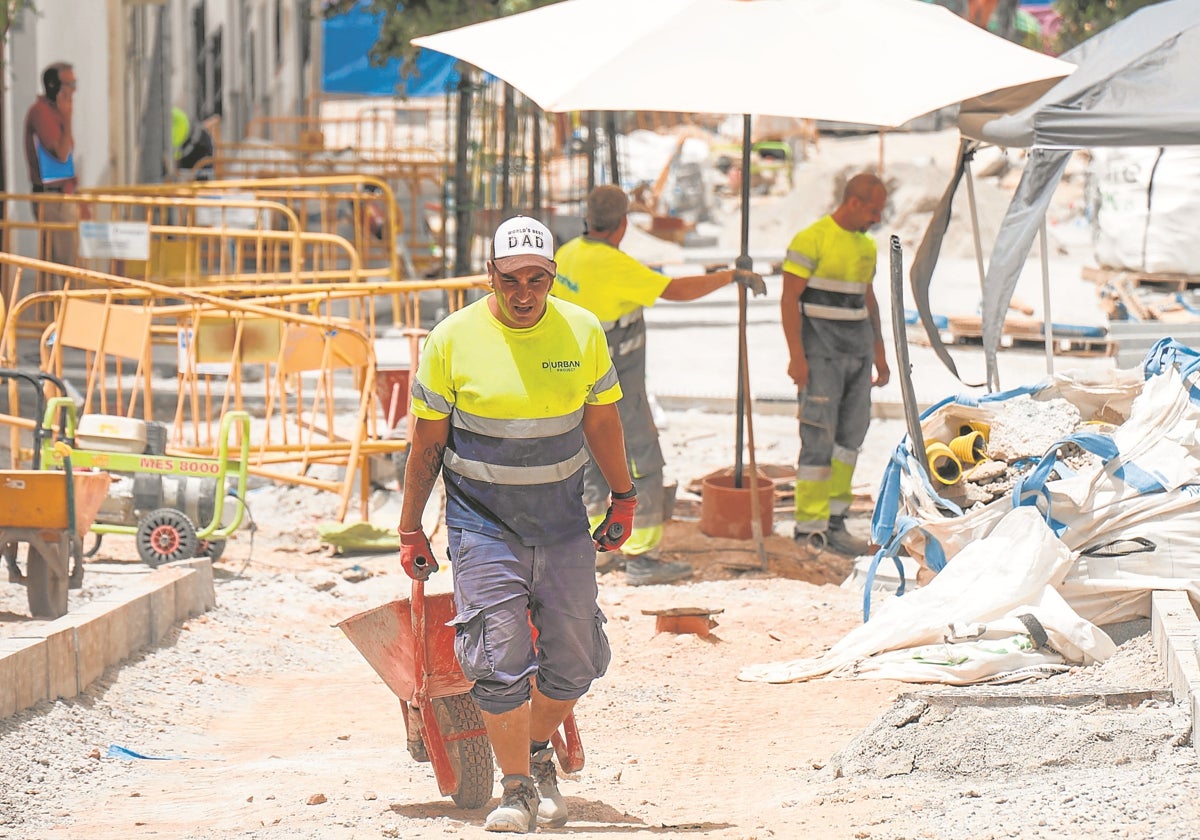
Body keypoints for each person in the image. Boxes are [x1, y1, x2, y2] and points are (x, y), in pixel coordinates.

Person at [397, 215, 635, 833]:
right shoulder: (452, 339)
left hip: (562, 525)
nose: (525, 294)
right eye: (511, 281)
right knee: (497, 656)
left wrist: (624, 497)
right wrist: (410, 529)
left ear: (554, 276)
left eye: (538, 280)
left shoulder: (582, 332)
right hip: (482, 526)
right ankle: (518, 788)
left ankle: (531, 750)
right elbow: (426, 444)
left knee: (577, 660)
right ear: (490, 276)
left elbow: (603, 423)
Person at [553, 185, 766, 585]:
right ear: (623, 225)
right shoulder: (614, 265)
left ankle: (602, 549)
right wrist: (731, 276)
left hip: (573, 380)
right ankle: (641, 555)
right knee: (638, 462)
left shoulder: (567, 256)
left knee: (592, 462)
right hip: (616, 385)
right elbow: (675, 290)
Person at [781, 172, 891, 556]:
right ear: (854, 202)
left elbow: (869, 300)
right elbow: (788, 300)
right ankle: (809, 529)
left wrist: (879, 354)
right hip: (820, 357)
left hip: (856, 357)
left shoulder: (866, 246)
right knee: (817, 441)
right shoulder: (811, 240)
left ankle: (835, 521)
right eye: (873, 210)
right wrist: (797, 357)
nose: (876, 219)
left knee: (848, 442)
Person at [23, 61, 79, 277]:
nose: (74, 90)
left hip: (62, 195)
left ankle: (54, 310)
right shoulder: (41, 113)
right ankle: (60, 311)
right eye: (69, 84)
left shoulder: (55, 115)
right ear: (55, 87)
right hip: (51, 199)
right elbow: (62, 154)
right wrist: (68, 118)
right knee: (65, 268)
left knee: (64, 262)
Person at [171, 107, 215, 181]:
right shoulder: (172, 115)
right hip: (194, 143)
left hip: (199, 148)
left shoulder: (176, 120)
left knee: (201, 182)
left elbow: (176, 156)